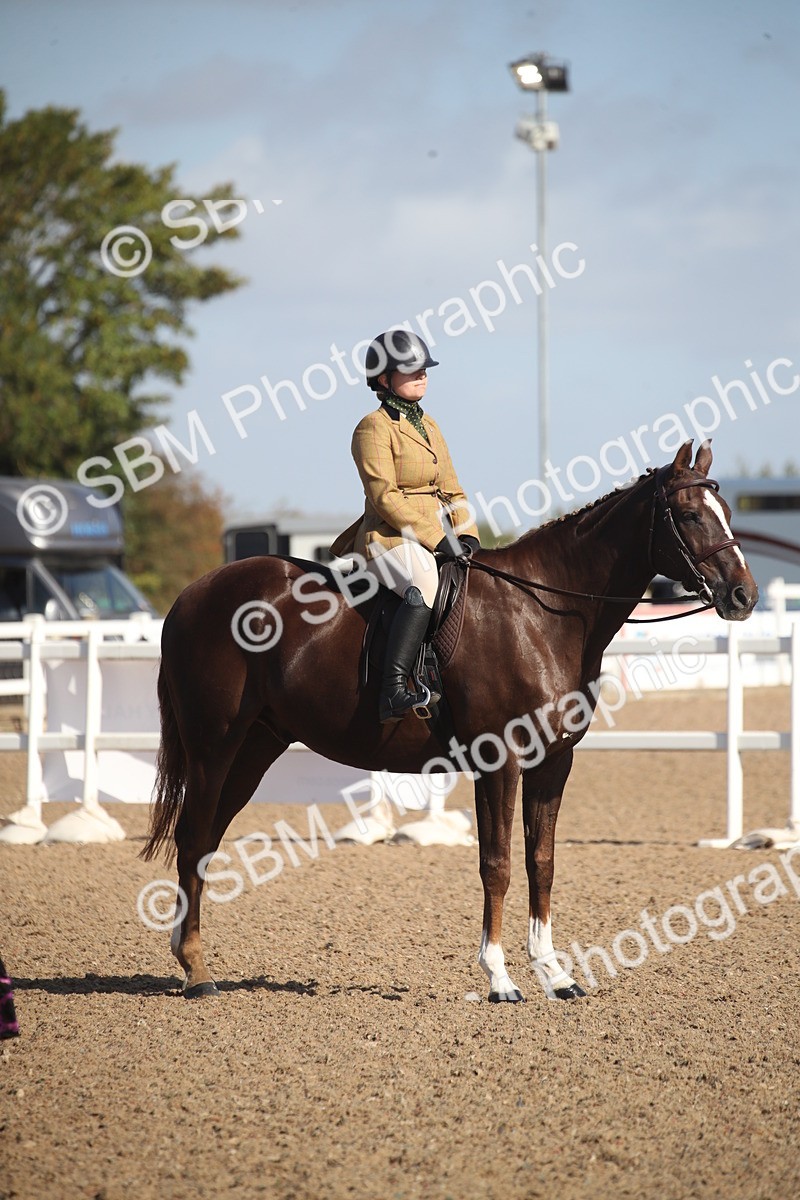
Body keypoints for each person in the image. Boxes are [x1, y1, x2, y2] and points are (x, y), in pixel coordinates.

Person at [332, 330, 480, 722]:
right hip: (388, 538)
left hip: (433, 536)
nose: (422, 375)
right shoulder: (372, 428)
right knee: (425, 582)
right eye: (411, 370)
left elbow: (452, 488)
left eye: (424, 369)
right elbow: (385, 497)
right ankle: (394, 689)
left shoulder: (429, 425)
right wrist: (438, 539)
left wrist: (466, 533)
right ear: (384, 379)